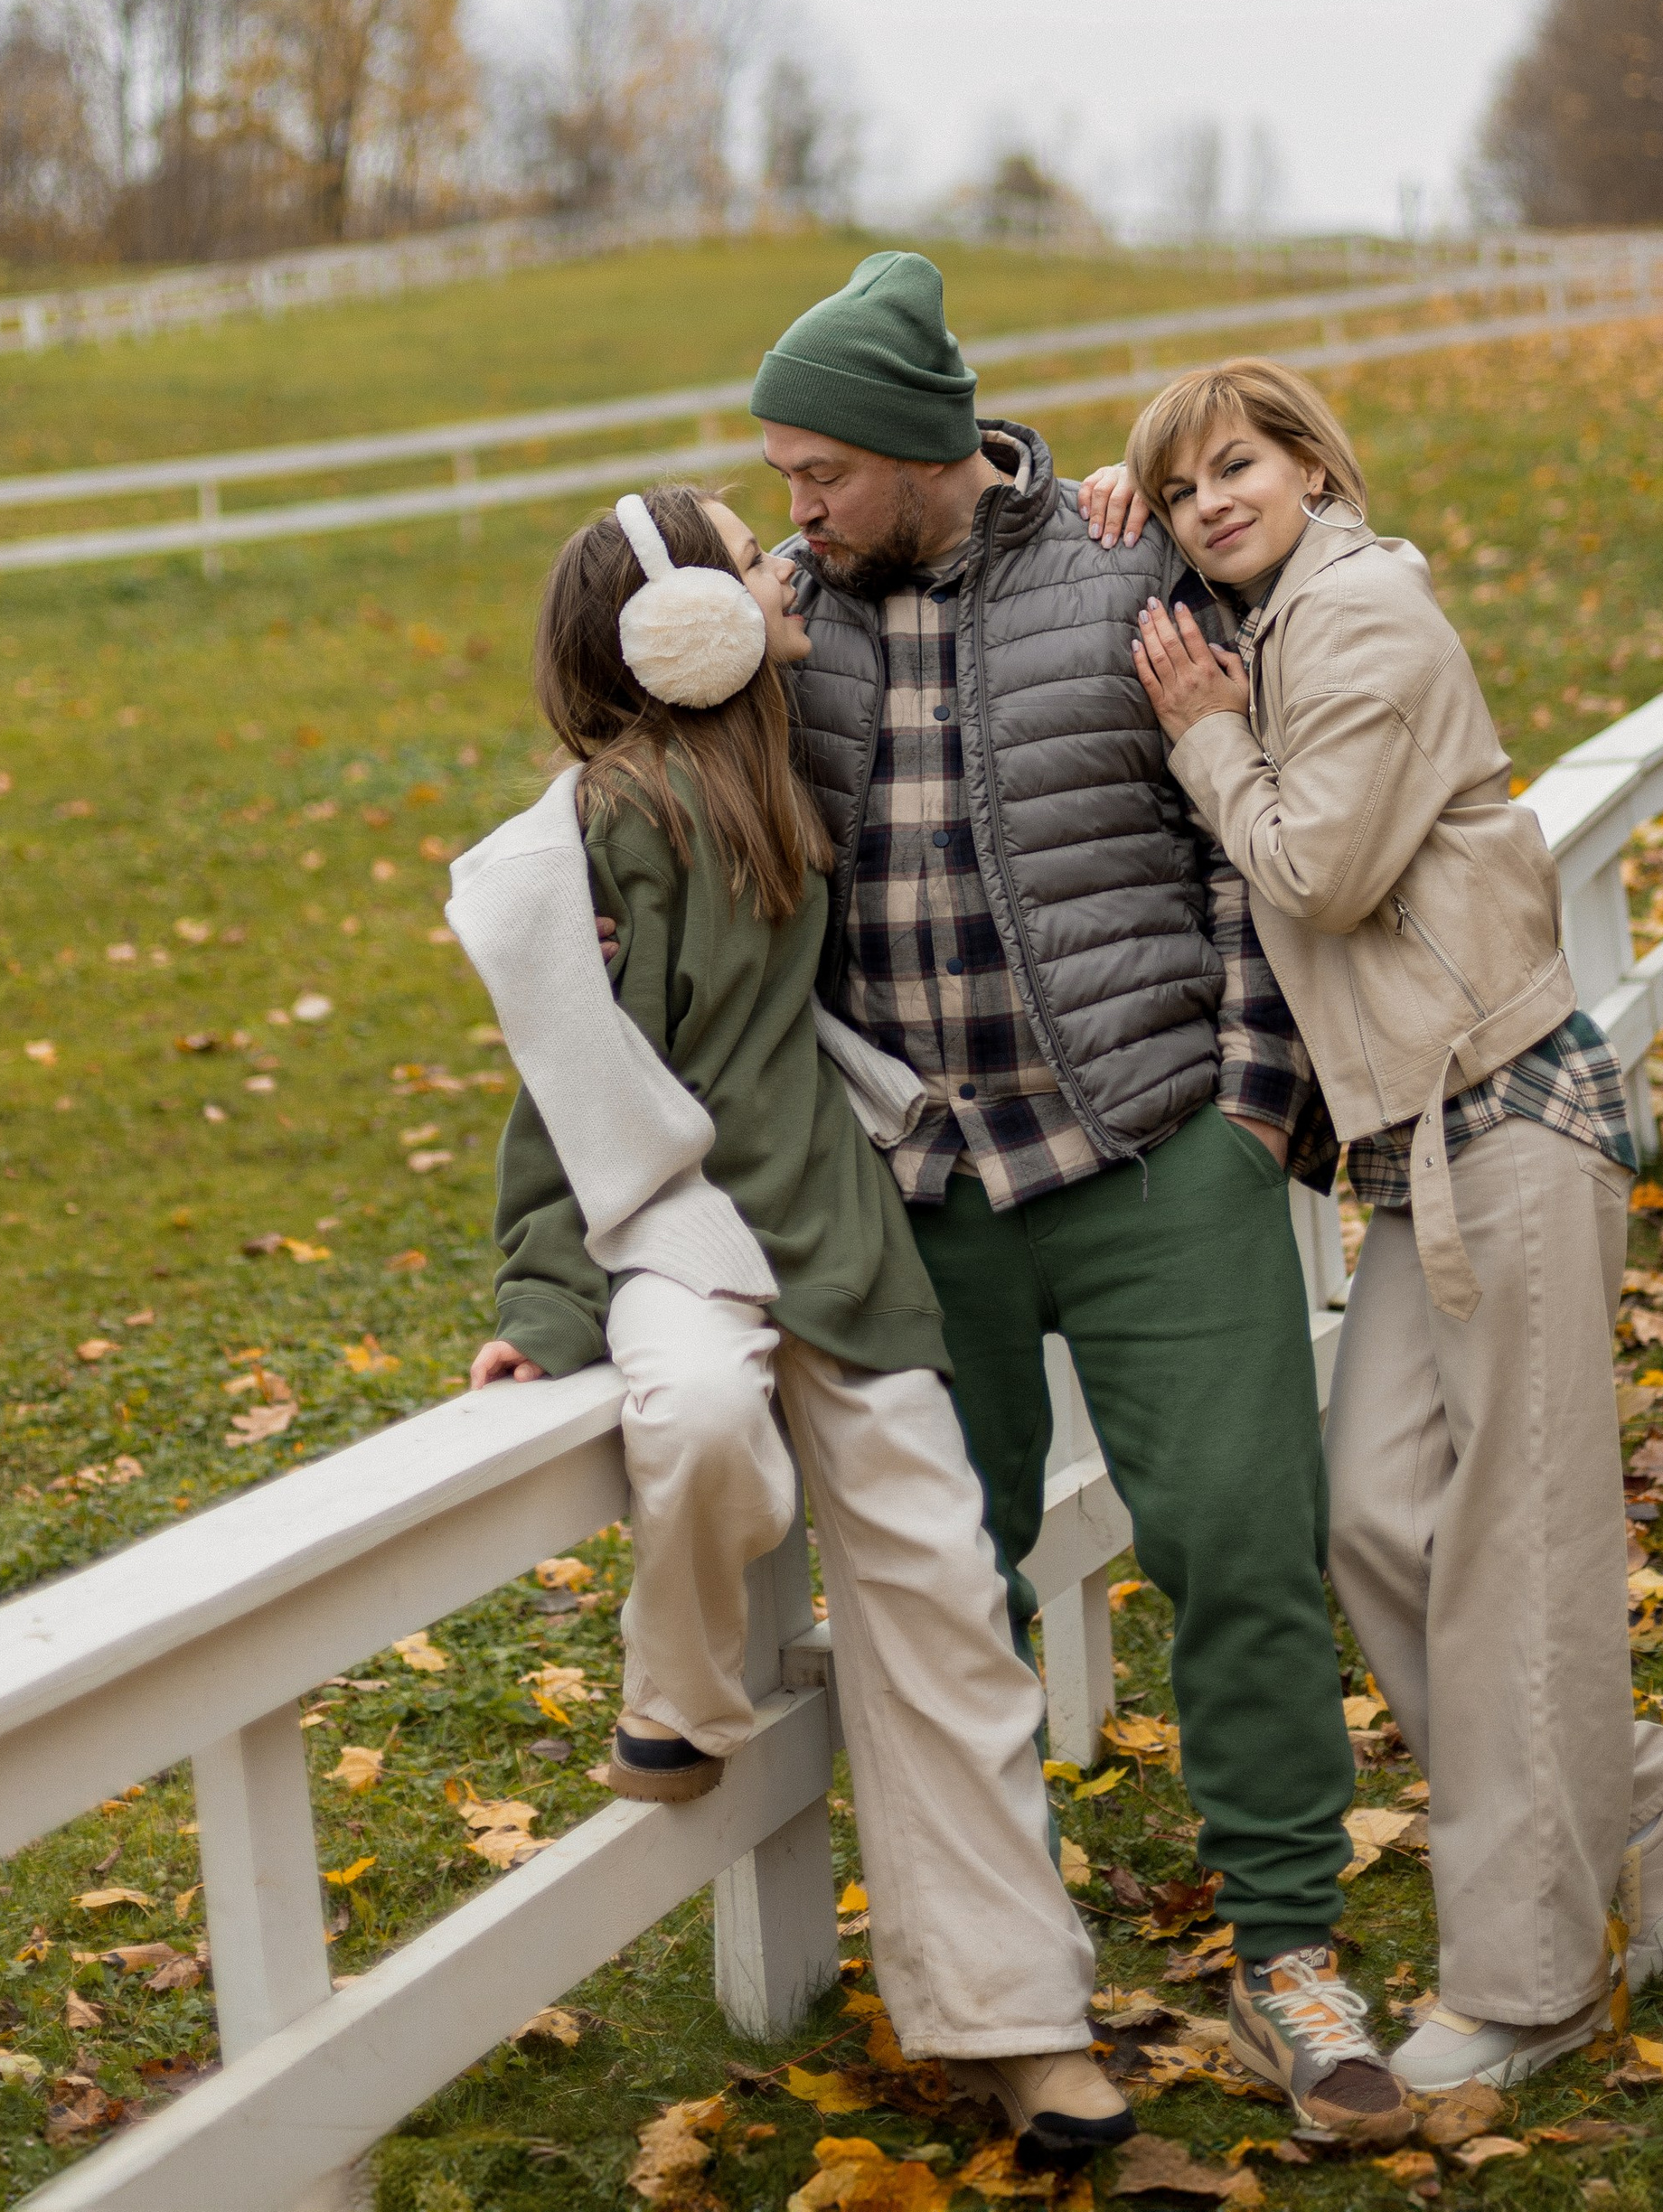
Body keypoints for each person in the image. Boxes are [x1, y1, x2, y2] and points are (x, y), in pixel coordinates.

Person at [745, 254, 1414, 2156]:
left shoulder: (1129, 569)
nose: (795, 500)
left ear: (917, 441)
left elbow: (1262, 806)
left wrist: (1240, 1111)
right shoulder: (786, 623)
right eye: (781, 473)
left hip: (1148, 1152)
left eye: (819, 469)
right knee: (945, 1605)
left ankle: (1289, 1951)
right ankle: (1012, 1987)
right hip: (918, 1200)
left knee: (1236, 1549)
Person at [1083, 359, 1663, 2090]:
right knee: (1380, 1513)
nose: (1209, 504)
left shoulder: (1366, 614)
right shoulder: (1272, 601)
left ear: (1314, 463)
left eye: (1237, 465)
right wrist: (1102, 500)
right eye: (1182, 491)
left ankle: (1533, 1984)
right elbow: (1184, 597)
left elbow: (1318, 869)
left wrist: (1202, 739)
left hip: (1516, 1117)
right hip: (1420, 1149)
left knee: (1518, 1550)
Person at [454, 484, 1130, 2167]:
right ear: (676, 629)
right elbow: (563, 1080)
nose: (783, 571)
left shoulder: (782, 760)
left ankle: (1021, 2025)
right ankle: (675, 1695)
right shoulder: (600, 829)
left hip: (840, 1228)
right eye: (751, 561)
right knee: (691, 1428)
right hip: (682, 1235)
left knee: (950, 1606)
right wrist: (545, 1300)